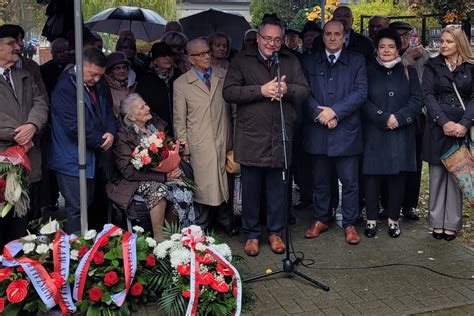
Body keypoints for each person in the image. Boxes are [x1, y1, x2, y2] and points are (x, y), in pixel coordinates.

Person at [223, 16, 310, 256]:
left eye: (277, 39)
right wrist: (260, 90)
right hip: (251, 135)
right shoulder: (242, 60)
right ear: (258, 37)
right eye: (267, 38)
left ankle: (275, 233)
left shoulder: (290, 61)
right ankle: (251, 235)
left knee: (278, 189)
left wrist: (286, 89)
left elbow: (304, 91)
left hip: (280, 133)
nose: (272, 43)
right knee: (251, 189)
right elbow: (228, 92)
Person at [302, 20, 367, 245]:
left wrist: (335, 113)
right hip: (318, 130)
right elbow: (304, 91)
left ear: (344, 36)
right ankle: (321, 218)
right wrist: (321, 114)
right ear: (323, 36)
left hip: (346, 131)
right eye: (328, 34)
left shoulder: (356, 61)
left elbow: (360, 93)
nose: (332, 38)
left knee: (349, 182)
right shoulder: (310, 62)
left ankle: (349, 223)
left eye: (337, 34)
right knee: (320, 181)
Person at [107, 93, 194, 240]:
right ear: (132, 117)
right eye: (142, 107)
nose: (148, 108)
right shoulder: (123, 137)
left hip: (162, 176)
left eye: (146, 104)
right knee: (159, 190)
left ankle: (171, 235)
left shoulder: (154, 127)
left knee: (181, 188)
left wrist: (173, 151)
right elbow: (128, 172)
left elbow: (166, 153)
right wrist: (164, 177)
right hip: (134, 181)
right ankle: (159, 238)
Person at [362, 28, 423, 238]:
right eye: (382, 47)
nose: (386, 50)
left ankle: (393, 220)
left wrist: (398, 118)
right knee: (372, 178)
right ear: (376, 49)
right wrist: (382, 117)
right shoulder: (367, 71)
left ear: (398, 49)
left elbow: (417, 100)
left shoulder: (409, 72)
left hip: (401, 133)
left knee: (398, 179)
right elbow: (363, 100)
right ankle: (370, 220)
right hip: (374, 133)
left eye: (390, 47)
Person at [49, 48, 116, 234]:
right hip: (71, 157)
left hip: (94, 156)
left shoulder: (100, 84)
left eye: (100, 75)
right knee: (77, 209)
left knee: (92, 206)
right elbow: (73, 126)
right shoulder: (64, 87)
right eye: (92, 74)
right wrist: (101, 140)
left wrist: (111, 132)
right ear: (80, 65)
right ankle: (76, 253)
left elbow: (108, 112)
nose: (96, 79)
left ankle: (93, 250)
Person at [173, 38, 233, 232]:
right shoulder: (181, 83)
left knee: (225, 181)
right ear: (191, 59)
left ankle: (227, 222)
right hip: (200, 141)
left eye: (208, 52)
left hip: (224, 138)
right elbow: (179, 120)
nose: (207, 56)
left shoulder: (224, 75)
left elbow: (234, 111)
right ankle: (202, 225)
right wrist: (185, 149)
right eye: (201, 54)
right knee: (202, 185)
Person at [422, 26, 474, 241]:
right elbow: (427, 94)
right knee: (436, 175)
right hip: (437, 127)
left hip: (462, 127)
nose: (442, 45)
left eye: (448, 41)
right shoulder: (432, 65)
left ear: (459, 43)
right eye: (441, 41)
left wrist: (464, 123)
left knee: (457, 175)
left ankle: (451, 223)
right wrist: (443, 122)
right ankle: (436, 222)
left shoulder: (471, 67)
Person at [0, 25, 48, 248]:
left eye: (17, 43)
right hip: (4, 161)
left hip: (27, 160)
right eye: (11, 44)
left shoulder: (25, 75)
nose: (18, 47)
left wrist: (32, 125)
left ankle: (19, 276)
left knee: (23, 224)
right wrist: (20, 134)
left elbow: (41, 102)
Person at [387, 21, 431, 220]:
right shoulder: (387, 54)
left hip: (416, 116)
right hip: (391, 117)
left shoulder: (421, 55)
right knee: (390, 162)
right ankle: (387, 204)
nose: (403, 38)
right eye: (399, 35)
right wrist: (405, 58)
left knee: (414, 162)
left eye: (407, 35)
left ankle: (410, 205)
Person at [136, 42, 181, 138]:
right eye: (163, 55)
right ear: (155, 60)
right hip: (157, 131)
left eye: (170, 55)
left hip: (180, 127)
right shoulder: (146, 80)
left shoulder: (179, 76)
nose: (168, 58)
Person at [104, 51, 137, 116]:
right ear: (110, 72)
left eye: (124, 67)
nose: (122, 71)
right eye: (117, 68)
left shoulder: (135, 85)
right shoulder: (106, 89)